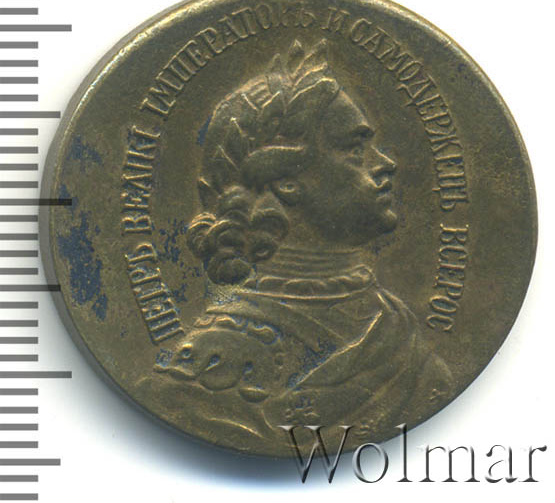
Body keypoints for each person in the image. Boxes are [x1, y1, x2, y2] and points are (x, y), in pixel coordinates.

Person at [156, 39, 452, 447]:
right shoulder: (211, 370)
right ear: (286, 179)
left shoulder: (396, 326)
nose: (385, 164)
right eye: (355, 148)